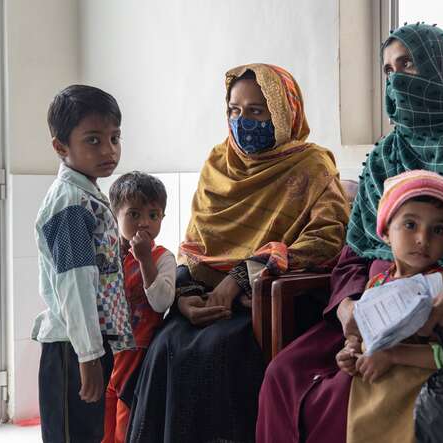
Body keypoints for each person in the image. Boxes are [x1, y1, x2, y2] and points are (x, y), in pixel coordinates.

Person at [257, 23, 443, 442]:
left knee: (345, 393)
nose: (396, 78)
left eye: (409, 64)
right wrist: (348, 308)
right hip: (374, 304)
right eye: (387, 69)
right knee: (284, 373)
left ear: (442, 67)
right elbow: (354, 253)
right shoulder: (388, 153)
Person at [126, 64, 350, 443]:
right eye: (234, 110)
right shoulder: (218, 163)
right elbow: (193, 243)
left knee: (218, 350)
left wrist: (243, 275)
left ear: (283, 113)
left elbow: (326, 239)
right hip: (205, 294)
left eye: (256, 111)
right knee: (167, 345)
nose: (242, 121)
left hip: (267, 302)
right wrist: (184, 296)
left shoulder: (312, 166)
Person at [337, 170, 443, 443]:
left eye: (438, 230)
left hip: (422, 406)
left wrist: (393, 355)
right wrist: (350, 351)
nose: (423, 238)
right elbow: (361, 333)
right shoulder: (376, 283)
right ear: (386, 231)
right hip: (369, 402)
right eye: (410, 225)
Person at [32, 85, 134, 443]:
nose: (109, 150)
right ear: (61, 147)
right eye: (93, 140)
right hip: (71, 348)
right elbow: (75, 284)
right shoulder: (71, 205)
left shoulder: (88, 195)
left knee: (88, 434)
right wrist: (88, 356)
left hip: (87, 344)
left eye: (114, 138)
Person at [102, 172, 177, 443]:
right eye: (134, 214)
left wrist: (145, 261)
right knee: (101, 421)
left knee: (127, 420)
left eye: (153, 215)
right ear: (115, 216)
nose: (144, 223)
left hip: (139, 352)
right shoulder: (107, 255)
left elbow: (162, 302)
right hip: (107, 350)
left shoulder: (163, 258)